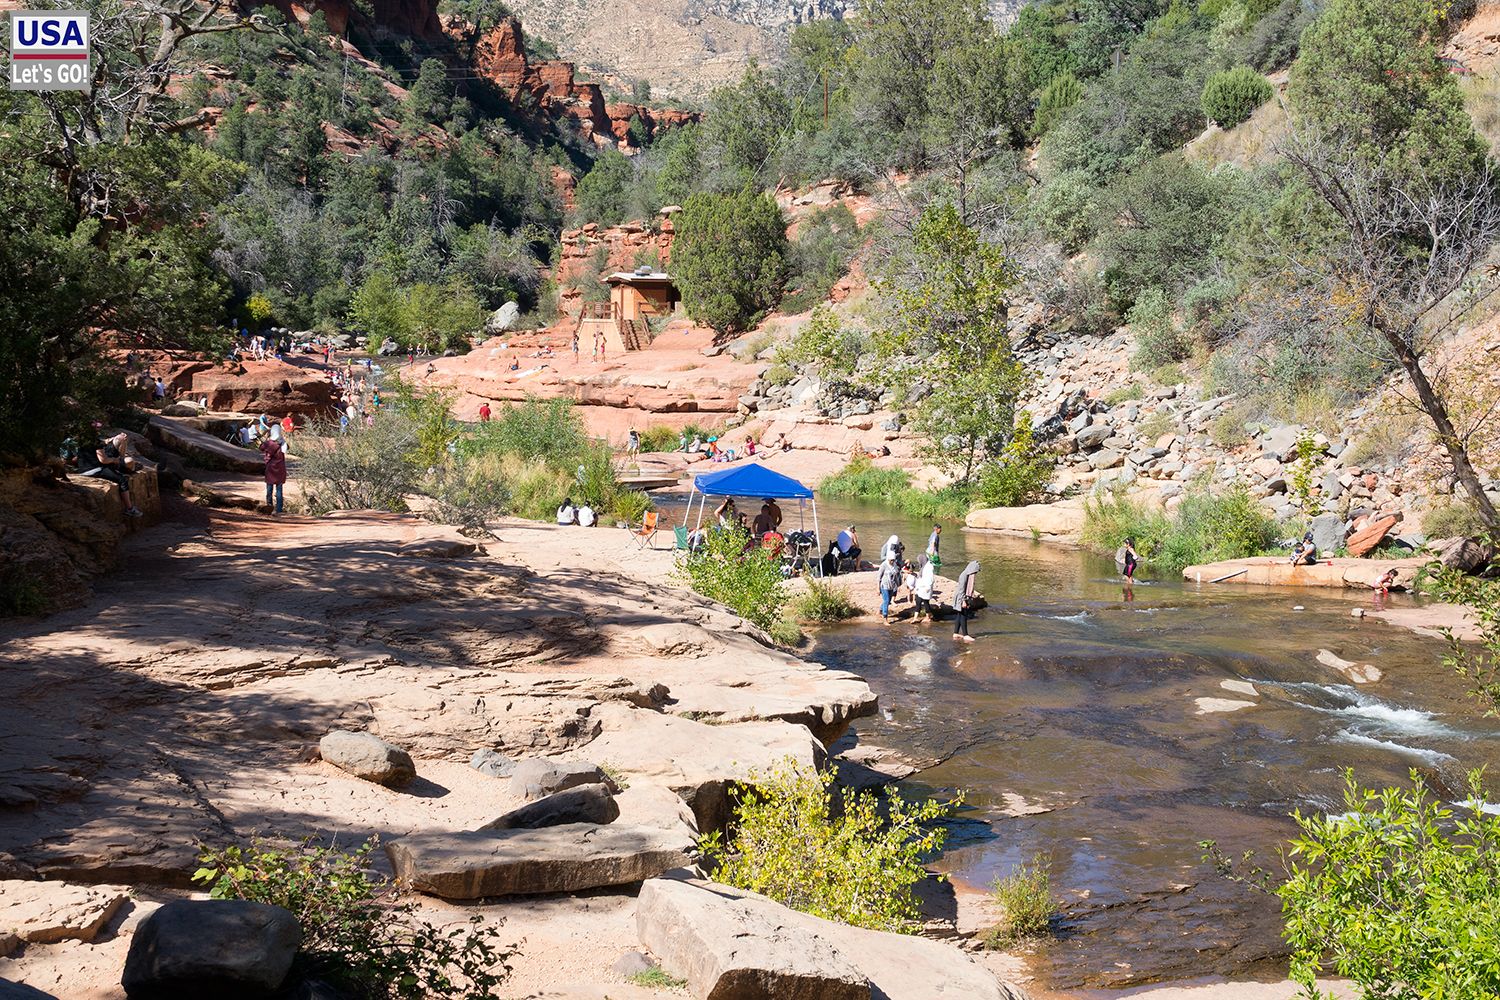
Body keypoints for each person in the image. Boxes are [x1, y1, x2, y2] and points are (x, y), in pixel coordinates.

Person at [82, 430, 144, 517]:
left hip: (84, 468)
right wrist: (115, 460)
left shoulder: (80, 440)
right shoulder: (95, 441)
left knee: (121, 448)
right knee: (122, 480)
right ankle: (129, 509)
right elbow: (103, 460)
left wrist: (108, 441)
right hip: (95, 468)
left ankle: (124, 466)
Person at [952, 560, 980, 642]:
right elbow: (961, 589)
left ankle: (956, 633)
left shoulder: (967, 574)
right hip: (961, 597)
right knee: (963, 615)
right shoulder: (964, 575)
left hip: (962, 597)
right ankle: (965, 635)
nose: (975, 574)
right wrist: (963, 601)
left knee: (959, 614)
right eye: (975, 571)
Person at [261, 436, 287, 515]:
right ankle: (279, 509)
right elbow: (286, 448)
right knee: (279, 490)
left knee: (269, 489)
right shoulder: (283, 444)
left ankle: (269, 506)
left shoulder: (269, 443)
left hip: (270, 469)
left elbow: (261, 447)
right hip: (280, 469)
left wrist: (267, 440)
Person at [878, 553, 901, 623]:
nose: (892, 561)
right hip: (884, 585)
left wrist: (898, 586)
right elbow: (879, 577)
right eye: (891, 560)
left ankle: (880, 610)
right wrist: (877, 588)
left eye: (893, 560)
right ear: (888, 559)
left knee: (888, 601)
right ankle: (885, 619)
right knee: (887, 600)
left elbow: (896, 576)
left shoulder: (894, 565)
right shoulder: (884, 565)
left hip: (892, 586)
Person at [913, 556, 936, 623]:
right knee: (918, 601)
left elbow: (930, 579)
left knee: (926, 603)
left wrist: (927, 587)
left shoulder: (928, 568)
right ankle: (915, 618)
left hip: (925, 589)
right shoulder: (923, 567)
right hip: (920, 588)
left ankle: (928, 617)